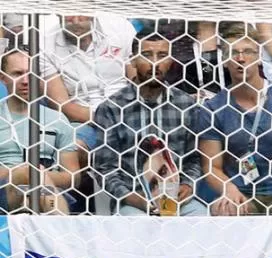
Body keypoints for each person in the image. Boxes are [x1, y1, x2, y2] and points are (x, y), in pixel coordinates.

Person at [196, 24, 272, 215]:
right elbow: (212, 167)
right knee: (225, 209)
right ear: (223, 58)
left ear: (259, 55)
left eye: (248, 52)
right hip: (240, 194)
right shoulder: (213, 109)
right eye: (233, 52)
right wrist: (229, 189)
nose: (241, 59)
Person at [93, 30, 205, 216]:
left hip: (177, 200)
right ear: (133, 60)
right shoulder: (111, 108)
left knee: (200, 219)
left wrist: (187, 185)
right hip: (133, 201)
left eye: (162, 55)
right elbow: (105, 168)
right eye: (146, 55)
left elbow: (194, 158)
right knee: (134, 224)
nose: (155, 63)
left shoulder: (186, 105)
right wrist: (131, 197)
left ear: (171, 61)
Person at [40, 14, 136, 153]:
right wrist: (110, 120)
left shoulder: (120, 26)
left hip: (129, 112)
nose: (76, 21)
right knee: (71, 149)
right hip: (83, 119)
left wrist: (130, 116)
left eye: (81, 15)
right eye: (69, 16)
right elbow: (62, 106)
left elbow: (137, 82)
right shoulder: (44, 41)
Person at [0, 48, 79, 214]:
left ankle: (52, 221)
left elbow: (73, 178)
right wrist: (23, 172)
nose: (25, 81)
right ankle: (59, 227)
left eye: (30, 73)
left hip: (46, 192)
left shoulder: (57, 119)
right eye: (17, 73)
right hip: (4, 191)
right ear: (2, 77)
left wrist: (39, 176)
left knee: (32, 195)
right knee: (30, 173)